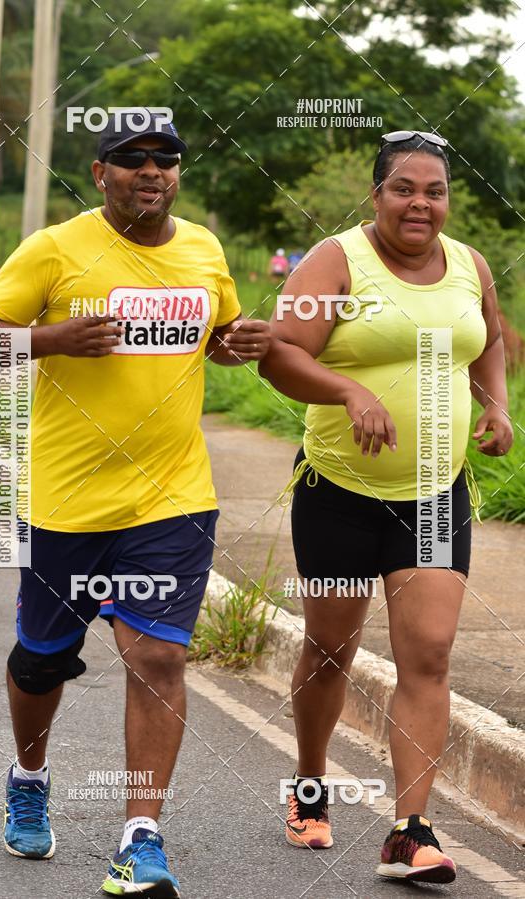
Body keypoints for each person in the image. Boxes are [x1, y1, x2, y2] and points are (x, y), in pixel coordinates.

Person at [0, 110, 270, 897]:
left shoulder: (204, 250)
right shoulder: (55, 248)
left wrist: (238, 344)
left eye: (166, 159)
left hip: (173, 497)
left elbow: (218, 335)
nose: (151, 171)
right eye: (132, 159)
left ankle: (140, 838)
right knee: (42, 659)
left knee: (158, 655)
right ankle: (29, 774)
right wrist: (51, 339)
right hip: (65, 501)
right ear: (100, 174)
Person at [259, 130, 512, 885]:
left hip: (434, 494)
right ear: (376, 195)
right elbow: (279, 353)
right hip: (337, 494)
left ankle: (410, 831)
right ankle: (310, 782)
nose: (420, 203)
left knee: (428, 653)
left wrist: (494, 403)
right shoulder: (335, 261)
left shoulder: (469, 264)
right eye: (404, 188)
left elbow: (488, 339)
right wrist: (349, 390)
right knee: (330, 649)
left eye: (435, 191)